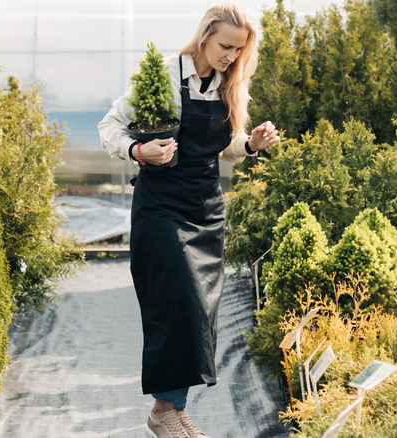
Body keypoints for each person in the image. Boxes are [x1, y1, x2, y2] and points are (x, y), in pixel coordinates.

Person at [98, 4, 279, 438]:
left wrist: (249, 144)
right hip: (161, 205)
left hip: (205, 209)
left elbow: (222, 147)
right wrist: (139, 152)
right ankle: (164, 413)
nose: (231, 56)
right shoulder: (161, 76)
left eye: (238, 50)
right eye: (225, 46)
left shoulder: (229, 86)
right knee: (177, 301)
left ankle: (172, 411)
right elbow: (110, 126)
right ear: (204, 37)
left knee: (199, 312)